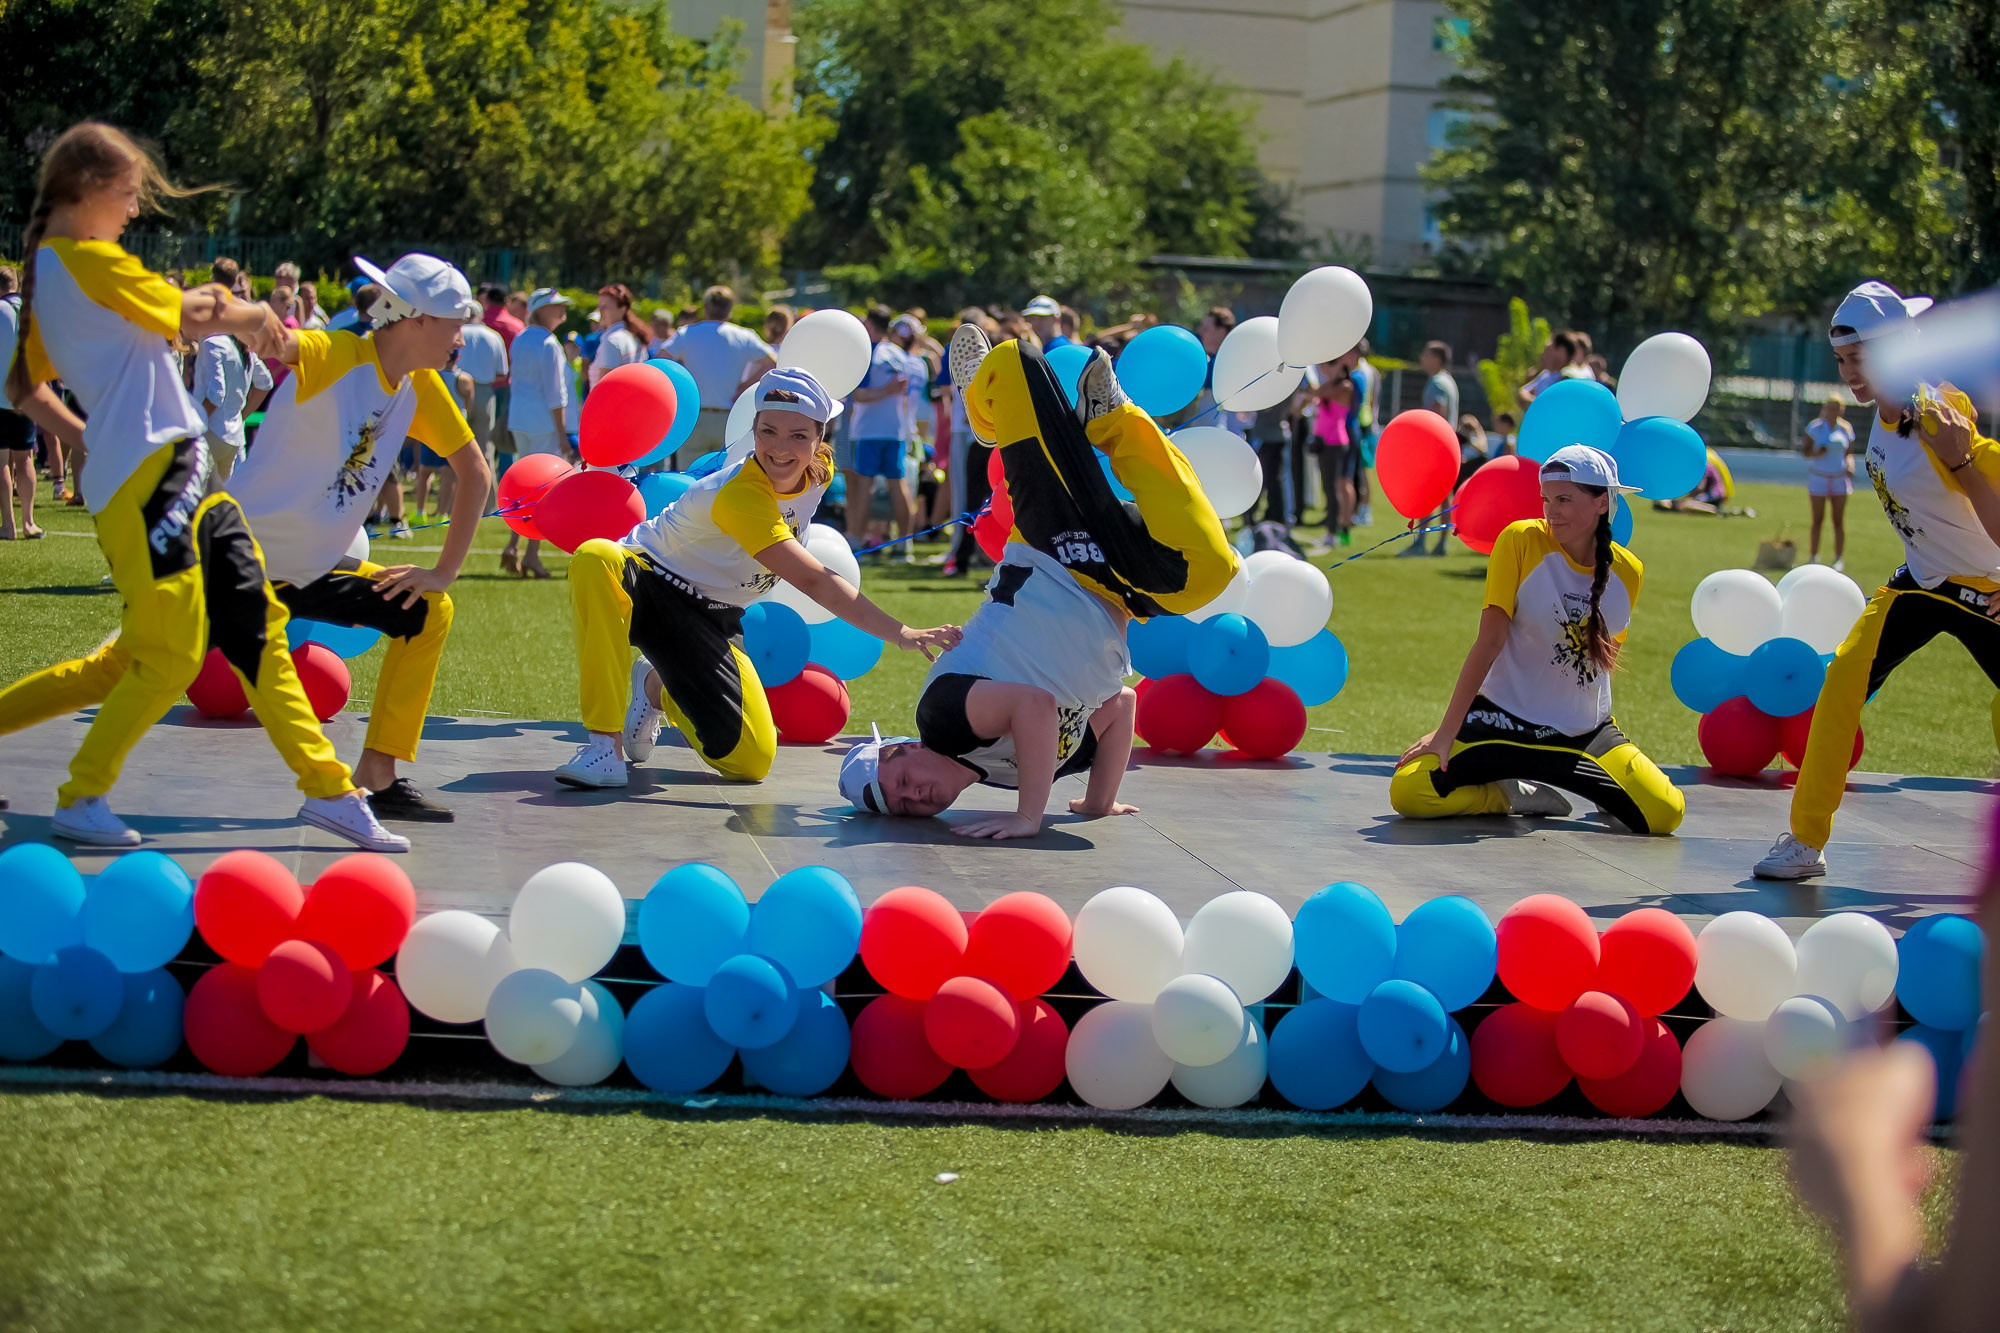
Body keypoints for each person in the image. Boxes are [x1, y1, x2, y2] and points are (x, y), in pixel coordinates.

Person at [0, 120, 401, 851]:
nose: (131, 212)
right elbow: (200, 310)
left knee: (255, 633)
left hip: (180, 474)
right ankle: (82, 792)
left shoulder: (50, 275)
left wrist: (90, 437)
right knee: (171, 657)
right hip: (152, 481)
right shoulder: (87, 262)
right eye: (126, 197)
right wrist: (261, 318)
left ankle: (328, 789)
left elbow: (25, 388)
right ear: (87, 192)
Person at [836, 327, 1239, 838]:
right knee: (1210, 572)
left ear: (903, 750)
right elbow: (1121, 707)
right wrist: (1098, 802)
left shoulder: (940, 721)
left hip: (1053, 551)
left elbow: (1036, 705)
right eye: (905, 807)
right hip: (1118, 584)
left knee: (1015, 361)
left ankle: (982, 411)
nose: (916, 796)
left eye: (901, 784)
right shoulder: (1012, 776)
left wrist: (1030, 816)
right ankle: (1113, 418)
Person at [556, 367, 959, 789]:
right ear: (754, 430)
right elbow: (816, 581)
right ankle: (604, 747)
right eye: (768, 431)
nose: (781, 448)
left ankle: (656, 685)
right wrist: (902, 633)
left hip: (711, 618)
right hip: (646, 583)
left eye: (798, 436)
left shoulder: (817, 472)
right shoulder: (742, 493)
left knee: (750, 761)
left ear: (820, 440)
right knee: (595, 556)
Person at [230, 252, 491, 825]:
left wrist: (443, 571)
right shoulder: (336, 353)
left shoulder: (422, 387)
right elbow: (277, 341)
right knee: (126, 669)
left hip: (311, 569)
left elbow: (475, 472)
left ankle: (377, 777)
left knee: (427, 609)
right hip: (234, 565)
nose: (462, 340)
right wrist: (213, 311)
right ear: (416, 320)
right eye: (455, 325)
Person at [1755, 280, 2000, 880]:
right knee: (1842, 678)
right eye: (1842, 361)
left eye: (1859, 359)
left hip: (1983, 588)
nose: (1849, 375)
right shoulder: (1883, 414)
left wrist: (1963, 458)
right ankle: (1805, 840)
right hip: (1920, 582)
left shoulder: (1943, 413)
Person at [1390, 445, 1685, 835]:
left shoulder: (1629, 572)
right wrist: (1445, 734)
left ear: (1602, 502)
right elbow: (1488, 643)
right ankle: (1509, 796)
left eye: (1564, 499)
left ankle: (1579, 789)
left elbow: (1596, 667)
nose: (1551, 510)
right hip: (1499, 723)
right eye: (1547, 499)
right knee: (1410, 791)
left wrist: (1608, 784)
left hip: (1581, 738)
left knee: (1666, 813)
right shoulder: (1519, 540)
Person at [500, 287, 572, 578]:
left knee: (525, 489)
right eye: (555, 306)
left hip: (520, 419)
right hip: (542, 423)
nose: (561, 310)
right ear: (541, 310)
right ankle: (529, 553)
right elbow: (556, 394)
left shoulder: (521, 338)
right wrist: (562, 434)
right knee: (542, 492)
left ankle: (514, 546)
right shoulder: (549, 343)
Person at [665, 285, 773, 466]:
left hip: (695, 416)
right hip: (731, 417)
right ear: (730, 309)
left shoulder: (686, 333)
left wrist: (683, 385)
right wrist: (744, 386)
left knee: (690, 479)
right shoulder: (744, 336)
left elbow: (662, 359)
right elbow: (772, 363)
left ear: (705, 307)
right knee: (726, 478)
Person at [192, 260, 274, 493]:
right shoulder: (242, 345)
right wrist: (240, 414)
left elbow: (216, 395)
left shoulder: (213, 344)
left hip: (212, 432)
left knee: (197, 498)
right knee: (223, 498)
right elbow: (265, 382)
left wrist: (193, 424)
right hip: (233, 435)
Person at [845, 305, 918, 551]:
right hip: (895, 430)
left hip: (868, 431)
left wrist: (885, 391)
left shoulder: (870, 354)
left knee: (864, 485)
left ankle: (857, 540)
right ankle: (904, 545)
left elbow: (860, 395)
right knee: (898, 484)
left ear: (869, 325)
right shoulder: (900, 355)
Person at [1, 263, 46, 541]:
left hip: (1, 396)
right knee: (25, 458)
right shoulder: (33, 311)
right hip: (28, 395)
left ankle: (8, 525)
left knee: (2, 461)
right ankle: (29, 522)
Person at [1406, 339, 1460, 555]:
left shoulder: (1437, 383)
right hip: (1448, 446)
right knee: (1444, 495)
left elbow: (1437, 413)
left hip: (1436, 447)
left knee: (1427, 494)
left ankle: (1421, 542)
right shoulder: (1448, 381)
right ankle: (1441, 543)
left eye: (1426, 355)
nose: (1422, 358)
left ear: (1436, 359)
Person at [455, 309, 508, 507]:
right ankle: (489, 502)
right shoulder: (494, 336)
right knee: (485, 448)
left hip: (457, 387)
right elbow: (502, 373)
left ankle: (455, 502)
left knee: (456, 447)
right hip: (485, 391)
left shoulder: (458, 332)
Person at [1804, 394, 1857, 569]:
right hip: (1819, 477)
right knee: (1817, 519)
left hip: (1839, 478)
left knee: (1838, 520)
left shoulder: (1846, 428)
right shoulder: (1815, 427)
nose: (1834, 411)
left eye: (1837, 408)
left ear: (1842, 410)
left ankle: (1838, 558)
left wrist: (1850, 465)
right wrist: (1817, 453)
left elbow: (1849, 453)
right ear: (1825, 408)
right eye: (1831, 407)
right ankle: (1813, 556)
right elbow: (1805, 452)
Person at [1312, 361, 1356, 548]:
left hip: (1336, 443)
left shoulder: (1344, 386)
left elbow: (1319, 393)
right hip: (1326, 443)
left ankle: (1336, 530)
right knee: (1329, 488)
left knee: (1334, 488)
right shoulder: (1330, 385)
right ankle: (1336, 528)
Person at [589, 283, 649, 387]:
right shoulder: (633, 336)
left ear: (623, 309)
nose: (600, 311)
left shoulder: (613, 341)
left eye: (605, 307)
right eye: (599, 307)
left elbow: (605, 390)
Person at [1346, 339, 1379, 526]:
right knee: (1360, 470)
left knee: (1364, 469)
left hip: (1364, 424)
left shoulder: (1362, 372)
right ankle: (1361, 508)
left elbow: (1369, 401)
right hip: (1364, 423)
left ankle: (1365, 509)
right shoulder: (1367, 371)